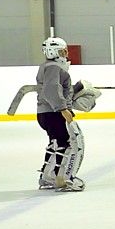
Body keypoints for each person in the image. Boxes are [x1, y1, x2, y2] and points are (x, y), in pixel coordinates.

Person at [35, 37, 83, 191]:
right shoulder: (54, 67)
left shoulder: (48, 66)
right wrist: (63, 109)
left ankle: (47, 176)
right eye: (62, 50)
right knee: (66, 144)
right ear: (53, 51)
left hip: (47, 113)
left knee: (56, 142)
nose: (65, 53)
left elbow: (56, 88)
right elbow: (51, 90)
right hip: (53, 113)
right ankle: (62, 179)